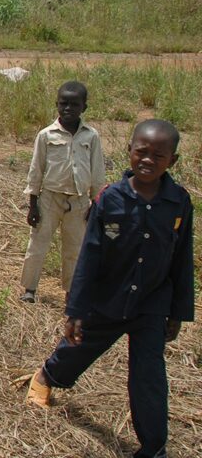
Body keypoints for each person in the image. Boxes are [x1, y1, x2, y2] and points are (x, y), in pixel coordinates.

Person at [26, 119, 194, 458]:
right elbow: (89, 256)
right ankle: (45, 376)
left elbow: (182, 257)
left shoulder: (178, 202)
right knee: (79, 348)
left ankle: (153, 447)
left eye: (158, 156)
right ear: (129, 152)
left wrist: (178, 311)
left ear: (172, 161)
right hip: (108, 298)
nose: (147, 160)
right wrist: (75, 309)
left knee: (149, 377)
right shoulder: (110, 199)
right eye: (141, 152)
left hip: (151, 303)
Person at [20, 81, 105, 304]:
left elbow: (97, 173)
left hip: (79, 202)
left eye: (74, 104)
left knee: (75, 249)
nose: (68, 108)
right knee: (38, 244)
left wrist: (95, 205)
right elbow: (36, 170)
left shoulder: (91, 136)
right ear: (56, 104)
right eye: (63, 104)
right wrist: (33, 204)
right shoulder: (46, 135)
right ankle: (29, 288)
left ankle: (71, 292)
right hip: (49, 198)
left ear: (84, 107)